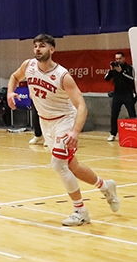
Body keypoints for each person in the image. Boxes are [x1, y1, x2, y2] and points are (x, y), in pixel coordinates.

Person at [8, 34, 120, 226]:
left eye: (42, 46)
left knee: (59, 165)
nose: (37, 49)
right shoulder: (28, 66)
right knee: (72, 166)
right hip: (46, 122)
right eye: (35, 46)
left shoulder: (62, 75)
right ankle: (105, 185)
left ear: (52, 50)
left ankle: (80, 211)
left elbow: (82, 105)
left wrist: (75, 131)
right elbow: (14, 77)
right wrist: (11, 91)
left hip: (64, 121)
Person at [105, 51, 136, 141]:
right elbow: (106, 78)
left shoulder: (129, 68)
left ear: (124, 58)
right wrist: (111, 70)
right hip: (117, 94)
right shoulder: (114, 69)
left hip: (127, 94)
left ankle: (135, 133)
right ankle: (113, 133)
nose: (118, 61)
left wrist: (122, 72)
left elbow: (132, 79)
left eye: (119, 59)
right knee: (114, 114)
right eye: (116, 59)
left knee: (132, 114)